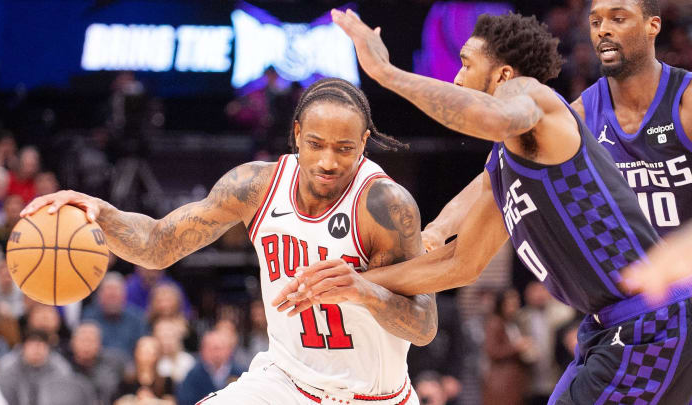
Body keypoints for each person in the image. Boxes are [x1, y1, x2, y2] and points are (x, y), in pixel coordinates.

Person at [277, 10, 692, 404]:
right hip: (613, 328)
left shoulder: (530, 96)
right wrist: (359, 282)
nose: (456, 79)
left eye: (465, 64)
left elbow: (495, 120)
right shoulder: (509, 161)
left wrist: (386, 74)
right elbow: (461, 263)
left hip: (649, 323)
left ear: (503, 74)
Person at [20, 77, 438, 404]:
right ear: (296, 134)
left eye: (344, 149)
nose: (328, 161)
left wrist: (362, 290)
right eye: (316, 145)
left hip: (373, 397)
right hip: (285, 384)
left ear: (364, 143)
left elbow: (424, 325)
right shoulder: (255, 186)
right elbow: (158, 244)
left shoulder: (384, 205)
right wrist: (100, 211)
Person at [568, 0, 692, 238]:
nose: (602, 29)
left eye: (618, 19)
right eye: (595, 22)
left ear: (652, 26)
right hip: (624, 271)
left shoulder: (685, 99)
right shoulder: (581, 115)